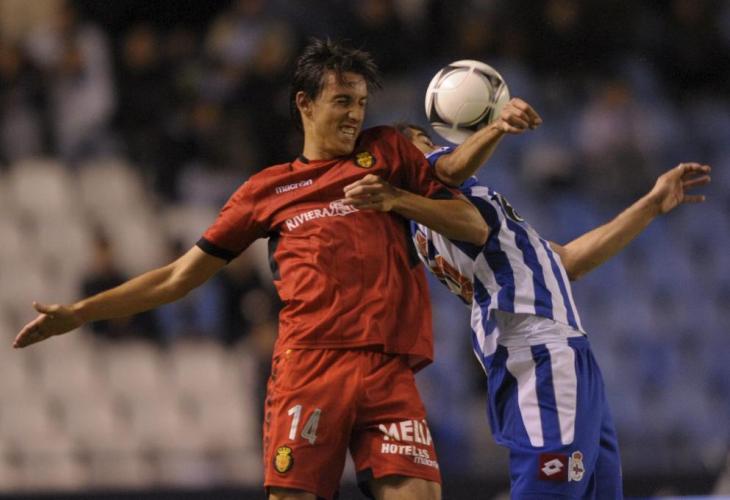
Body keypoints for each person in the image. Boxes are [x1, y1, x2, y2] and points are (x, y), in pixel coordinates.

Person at [13, 38, 488, 500]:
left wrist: (397, 199)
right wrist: (81, 312)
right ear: (304, 103)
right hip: (311, 368)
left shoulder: (387, 153)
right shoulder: (267, 191)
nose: (355, 115)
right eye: (342, 101)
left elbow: (472, 225)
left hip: (388, 369)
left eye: (361, 103)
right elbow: (178, 277)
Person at [357, 101, 710, 498]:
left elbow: (569, 261)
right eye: (424, 142)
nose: (438, 147)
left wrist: (651, 205)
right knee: (547, 490)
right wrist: (496, 127)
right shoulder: (433, 187)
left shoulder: (448, 218)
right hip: (538, 349)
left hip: (563, 350)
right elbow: (452, 174)